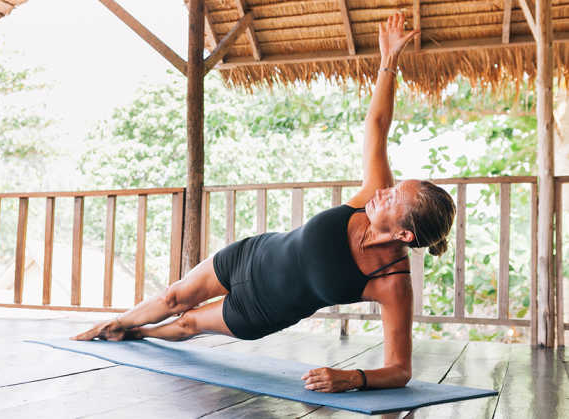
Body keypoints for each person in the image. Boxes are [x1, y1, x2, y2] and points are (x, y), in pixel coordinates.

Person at [73, 12, 455, 393]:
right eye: (392, 186)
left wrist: (351, 378)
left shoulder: (391, 283)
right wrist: (389, 59)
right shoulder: (368, 197)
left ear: (404, 233)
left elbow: (400, 370)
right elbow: (377, 123)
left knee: (188, 324)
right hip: (250, 254)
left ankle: (135, 334)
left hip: (259, 311)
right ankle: (116, 325)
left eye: (392, 197)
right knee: (173, 297)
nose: (382, 191)